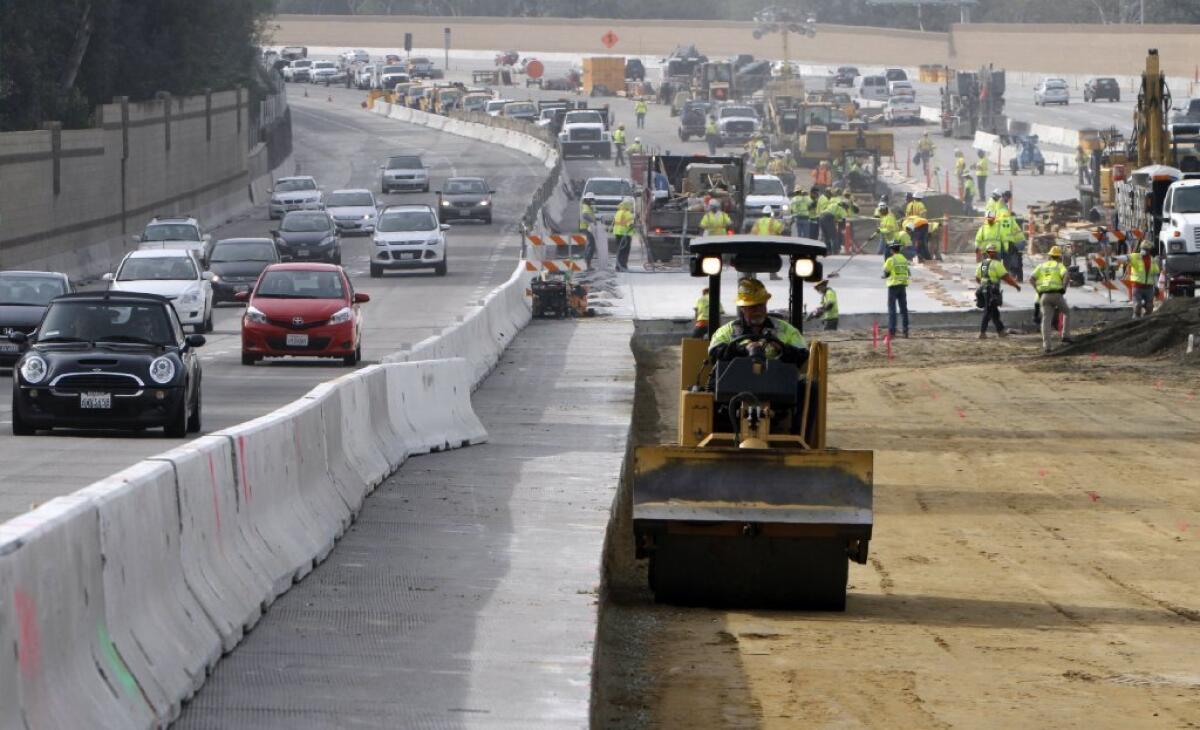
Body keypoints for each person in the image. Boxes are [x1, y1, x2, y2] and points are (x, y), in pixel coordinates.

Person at [709, 278, 808, 365]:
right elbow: (714, 353)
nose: (758, 311)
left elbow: (802, 354)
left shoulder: (785, 329)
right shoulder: (728, 331)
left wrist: (781, 348)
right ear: (742, 308)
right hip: (734, 383)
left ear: (766, 303)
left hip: (778, 382)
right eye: (752, 307)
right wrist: (742, 349)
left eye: (760, 305)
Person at [975, 243, 1021, 338]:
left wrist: (984, 285)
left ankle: (1001, 331)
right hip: (992, 291)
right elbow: (1006, 278)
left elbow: (977, 278)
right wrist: (1016, 285)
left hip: (983, 289)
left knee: (994, 311)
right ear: (995, 253)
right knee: (988, 311)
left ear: (986, 253)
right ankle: (982, 332)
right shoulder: (997, 264)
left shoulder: (982, 264)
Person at [1030, 245, 1070, 353]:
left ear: (1050, 256)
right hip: (1056, 294)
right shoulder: (1059, 265)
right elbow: (1066, 275)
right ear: (1059, 257)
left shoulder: (1041, 266)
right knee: (1067, 312)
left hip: (1043, 296)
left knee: (1046, 320)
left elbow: (1031, 279)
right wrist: (1063, 288)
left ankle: (1047, 346)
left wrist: (1038, 290)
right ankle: (1065, 335)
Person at [1112, 239, 1160, 318]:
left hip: (1149, 288)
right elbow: (1126, 258)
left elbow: (1154, 274)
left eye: (1147, 249)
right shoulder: (1135, 256)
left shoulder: (1152, 260)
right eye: (1143, 249)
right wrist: (1115, 258)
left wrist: (1156, 286)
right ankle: (1135, 320)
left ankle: (1146, 322)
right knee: (1138, 306)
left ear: (1149, 250)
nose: (1145, 251)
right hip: (1137, 287)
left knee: (1149, 307)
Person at [882, 240, 910, 338]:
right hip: (902, 285)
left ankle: (892, 331)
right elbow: (908, 272)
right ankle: (905, 331)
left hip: (893, 286)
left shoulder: (891, 260)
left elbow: (886, 272)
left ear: (891, 250)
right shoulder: (904, 259)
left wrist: (884, 276)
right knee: (903, 309)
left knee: (892, 309)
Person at [611, 197, 635, 271]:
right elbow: (630, 225)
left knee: (619, 250)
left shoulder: (618, 212)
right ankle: (623, 266)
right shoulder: (627, 213)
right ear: (629, 205)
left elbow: (614, 223)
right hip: (625, 234)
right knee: (625, 251)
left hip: (617, 233)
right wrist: (636, 224)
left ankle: (618, 267)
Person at [579, 192, 598, 270]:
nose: (592, 201)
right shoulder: (586, 206)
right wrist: (593, 221)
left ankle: (587, 263)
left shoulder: (586, 206)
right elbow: (585, 215)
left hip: (587, 227)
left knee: (589, 245)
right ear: (588, 199)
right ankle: (588, 264)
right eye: (592, 200)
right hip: (587, 228)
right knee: (591, 245)